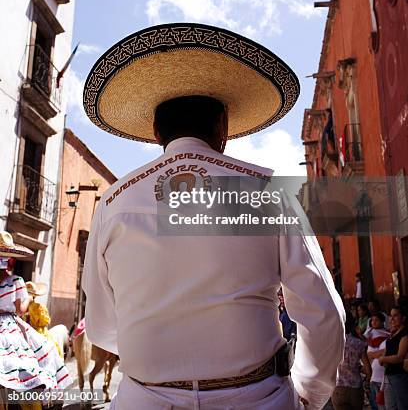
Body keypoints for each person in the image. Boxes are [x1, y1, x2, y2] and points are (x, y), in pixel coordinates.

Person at [82, 23, 345, 409]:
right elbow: (322, 313)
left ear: (157, 132)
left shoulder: (112, 202)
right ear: (223, 126)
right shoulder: (267, 190)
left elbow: (103, 326)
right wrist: (310, 392)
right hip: (259, 401)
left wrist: (160, 360)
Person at [0, 232, 72, 398]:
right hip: (10, 325)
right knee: (47, 350)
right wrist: (26, 299)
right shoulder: (16, 281)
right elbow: (20, 311)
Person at [331, 311, 372, 410]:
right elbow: (368, 370)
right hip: (355, 389)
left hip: (338, 387)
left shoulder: (332, 343)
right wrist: (366, 381)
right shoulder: (358, 343)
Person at [378, 306, 408, 409]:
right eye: (391, 316)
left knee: (402, 406)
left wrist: (383, 359)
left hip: (400, 376)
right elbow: (387, 353)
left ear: (403, 318)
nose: (392, 319)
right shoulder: (393, 334)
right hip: (388, 377)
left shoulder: (405, 334)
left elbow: (400, 357)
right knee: (390, 407)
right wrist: (383, 359)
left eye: (395, 315)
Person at [25, 281, 63, 358]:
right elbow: (45, 321)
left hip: (24, 331)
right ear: (35, 296)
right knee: (54, 346)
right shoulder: (39, 307)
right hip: (39, 332)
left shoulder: (22, 308)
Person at [365, 313, 389, 410]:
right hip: (373, 377)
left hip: (383, 377)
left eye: (376, 320)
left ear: (382, 322)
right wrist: (379, 354)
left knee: (383, 405)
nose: (373, 322)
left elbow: (386, 352)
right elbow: (369, 355)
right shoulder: (370, 335)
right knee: (375, 405)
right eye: (372, 320)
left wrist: (374, 354)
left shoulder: (388, 336)